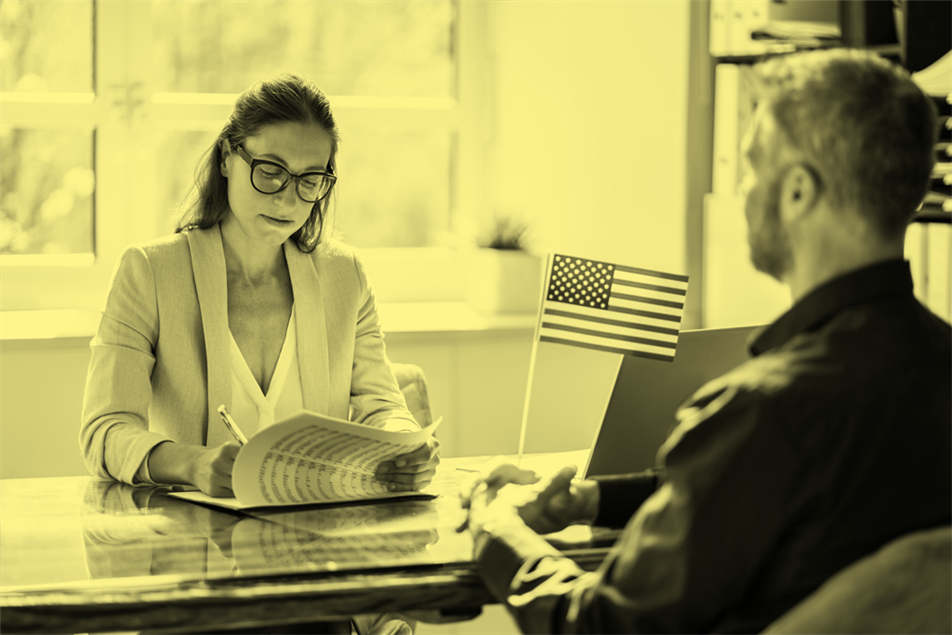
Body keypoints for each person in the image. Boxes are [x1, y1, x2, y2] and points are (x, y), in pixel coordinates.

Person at [461, 49, 952, 635]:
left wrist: (496, 529)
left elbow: (597, 627)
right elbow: (771, 497)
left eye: (751, 167)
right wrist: (592, 500)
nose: (743, 190)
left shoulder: (765, 412)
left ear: (797, 192)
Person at [80, 73, 439, 499]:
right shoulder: (150, 272)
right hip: (194, 542)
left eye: (310, 181)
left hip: (319, 540)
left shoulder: (346, 275)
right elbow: (105, 431)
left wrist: (407, 445)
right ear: (227, 159)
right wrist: (192, 463)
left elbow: (381, 405)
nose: (287, 200)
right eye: (270, 171)